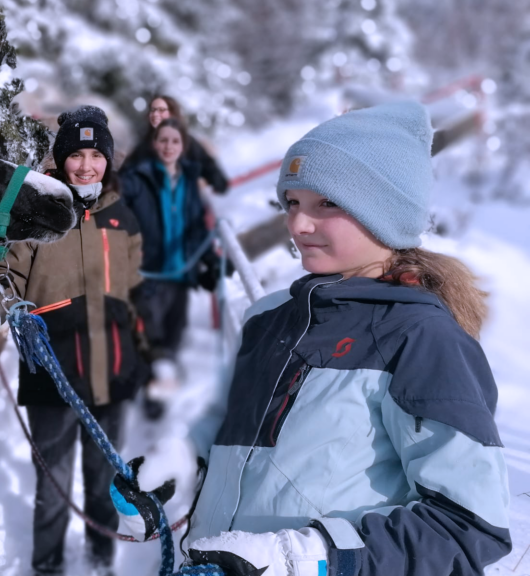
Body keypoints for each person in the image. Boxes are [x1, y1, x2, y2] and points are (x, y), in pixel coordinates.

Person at [112, 101, 512, 576]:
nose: (299, 225)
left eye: (327, 203)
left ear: (386, 211)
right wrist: (185, 469)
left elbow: (468, 526)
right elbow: (235, 434)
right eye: (293, 202)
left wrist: (309, 557)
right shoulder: (269, 318)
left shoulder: (421, 338)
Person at [0, 105, 148, 576]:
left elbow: (137, 289)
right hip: (53, 371)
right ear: (60, 160)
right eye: (76, 155)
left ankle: (101, 563)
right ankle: (47, 566)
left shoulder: (123, 216)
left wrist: (144, 349)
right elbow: (4, 272)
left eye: (95, 155)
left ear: (107, 160)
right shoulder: (36, 210)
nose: (86, 165)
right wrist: (3, 303)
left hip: (112, 370)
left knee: (105, 479)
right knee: (54, 482)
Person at [120, 118, 221, 418]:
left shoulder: (188, 183)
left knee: (173, 335)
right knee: (147, 335)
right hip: (146, 273)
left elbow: (197, 227)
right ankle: (141, 388)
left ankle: (156, 394)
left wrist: (211, 262)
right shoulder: (136, 179)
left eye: (175, 142)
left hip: (179, 274)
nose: (169, 147)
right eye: (163, 141)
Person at [120, 95, 229, 195]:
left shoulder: (190, 144)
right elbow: (124, 177)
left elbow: (215, 175)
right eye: (153, 111)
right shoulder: (144, 147)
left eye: (163, 111)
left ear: (173, 114)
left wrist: (207, 182)